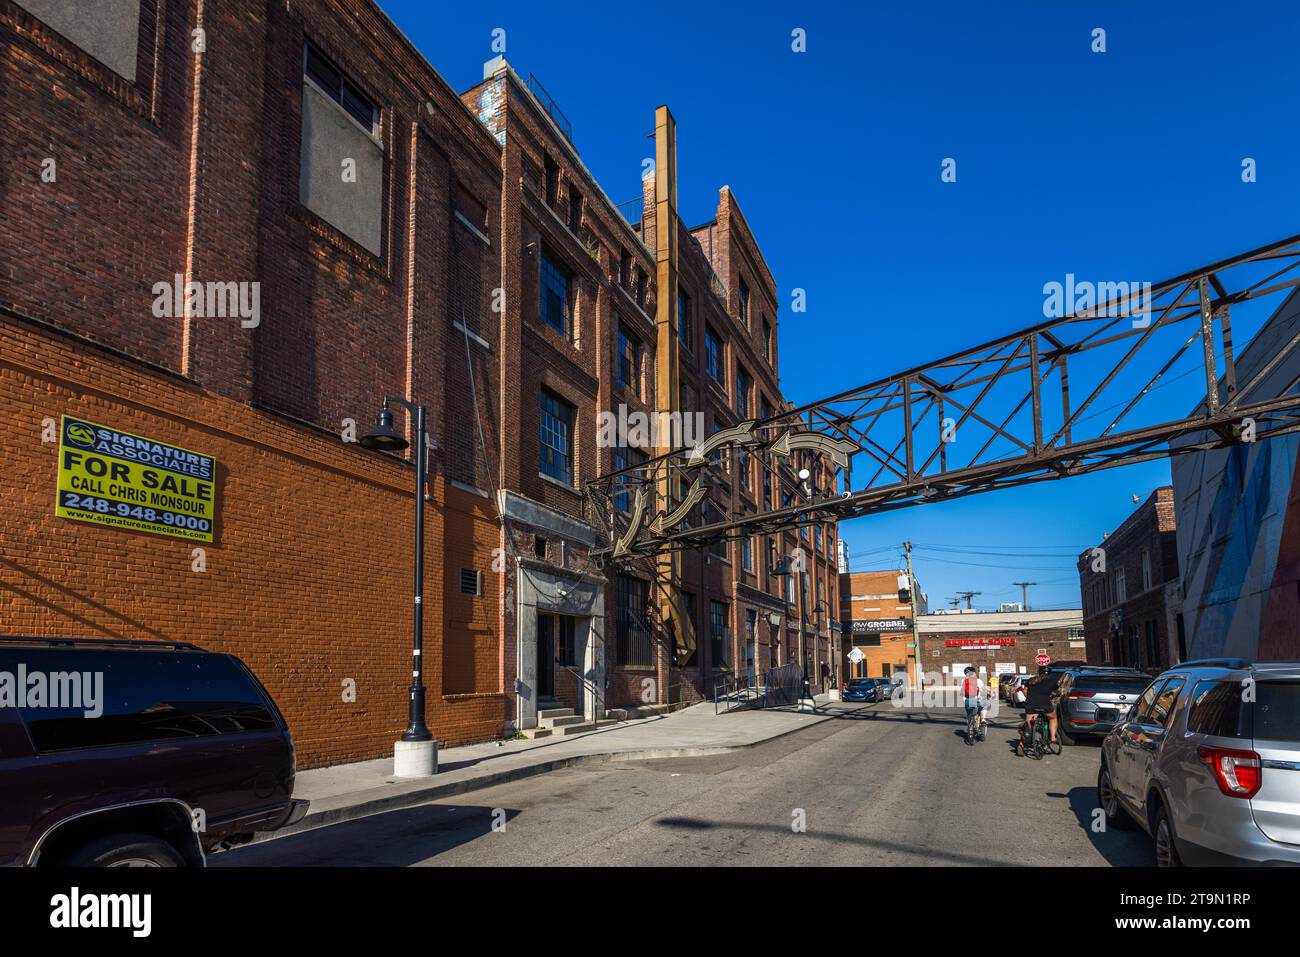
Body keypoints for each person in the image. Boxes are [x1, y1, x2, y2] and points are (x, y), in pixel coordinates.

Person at [1018, 665, 1062, 754]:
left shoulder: (1031, 680)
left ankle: (1021, 745)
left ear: (1039, 672)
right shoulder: (1052, 681)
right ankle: (1053, 737)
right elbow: (1059, 691)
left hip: (1031, 705)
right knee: (1053, 718)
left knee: (1028, 726)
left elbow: (1025, 691)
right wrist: (1055, 694)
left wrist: (1029, 697)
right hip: (1045, 705)